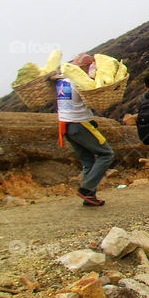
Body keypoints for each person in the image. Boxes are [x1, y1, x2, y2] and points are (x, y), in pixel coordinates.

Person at [55, 54, 113, 206]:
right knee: (106, 154)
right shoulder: (79, 81)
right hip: (79, 124)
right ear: (85, 68)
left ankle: (89, 197)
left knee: (88, 161)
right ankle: (87, 189)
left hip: (65, 126)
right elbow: (92, 98)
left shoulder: (62, 82)